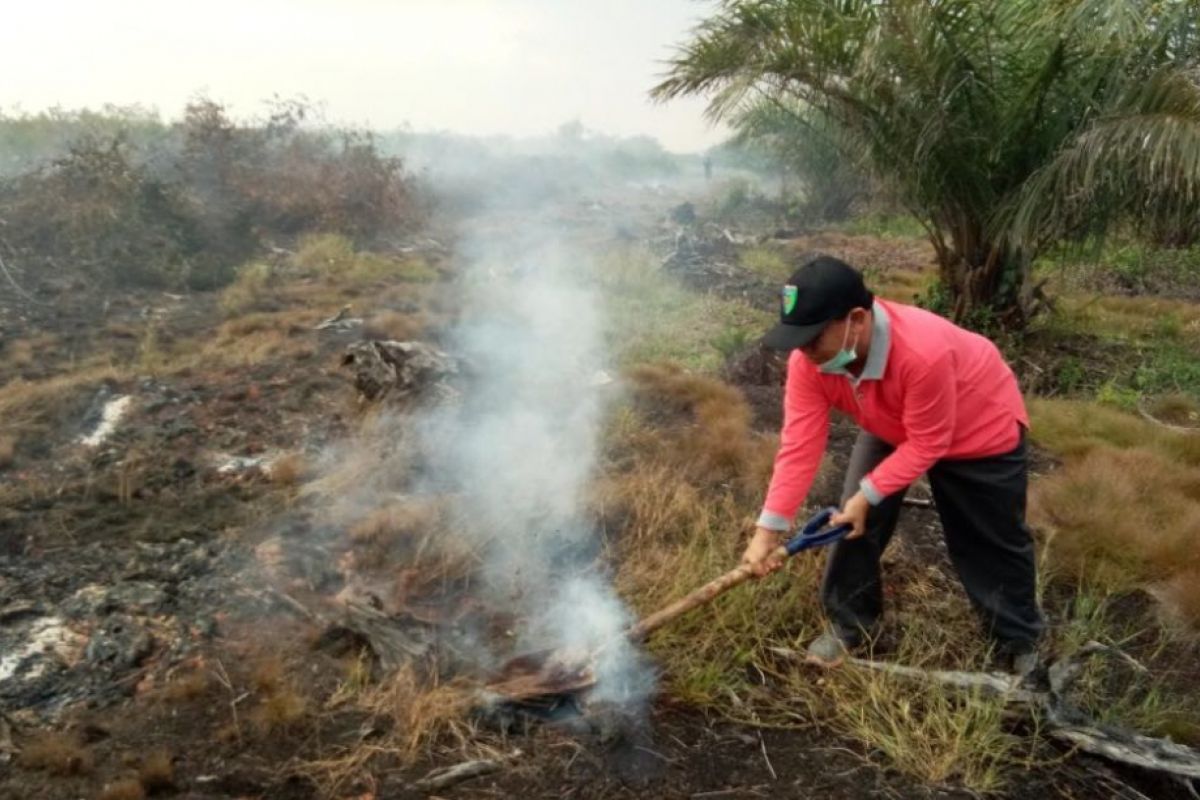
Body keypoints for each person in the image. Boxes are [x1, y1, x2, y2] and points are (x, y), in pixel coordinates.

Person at [741, 255, 1042, 674]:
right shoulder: (810, 362)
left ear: (857, 319)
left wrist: (870, 493)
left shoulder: (922, 352)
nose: (804, 353)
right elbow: (799, 446)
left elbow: (930, 441)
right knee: (851, 520)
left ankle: (1018, 640)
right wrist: (767, 531)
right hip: (895, 419)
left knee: (988, 539)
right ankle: (852, 626)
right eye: (797, 341)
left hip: (978, 428)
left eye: (812, 339)